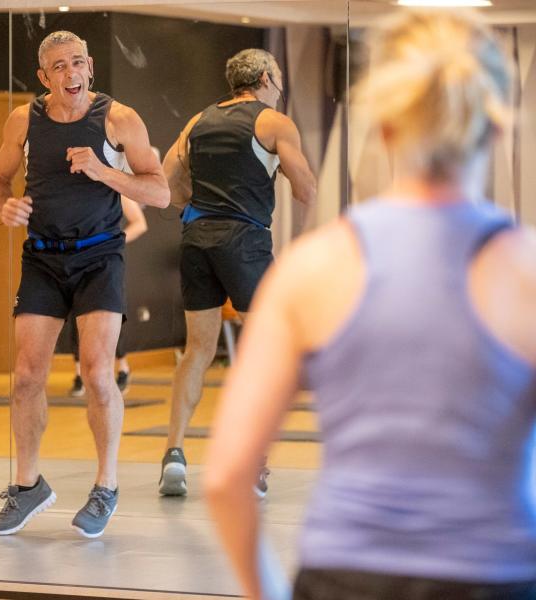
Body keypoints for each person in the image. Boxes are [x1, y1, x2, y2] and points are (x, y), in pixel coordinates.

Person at [205, 10, 536, 600]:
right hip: (496, 573)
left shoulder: (313, 267)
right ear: (499, 126)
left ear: (383, 127)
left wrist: (268, 592)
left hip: (344, 574)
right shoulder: (525, 271)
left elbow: (229, 476)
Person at [0, 30, 169, 538]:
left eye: (78, 64)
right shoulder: (24, 120)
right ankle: (28, 486)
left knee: (95, 371)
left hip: (99, 258)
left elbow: (159, 191)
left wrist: (104, 171)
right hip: (43, 258)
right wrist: (4, 206)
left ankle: (105, 486)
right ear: (44, 77)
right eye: (59, 67)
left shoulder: (118, 119)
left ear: (90, 67)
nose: (71, 74)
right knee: (26, 375)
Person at [158, 47, 316, 497]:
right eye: (280, 78)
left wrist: (196, 202)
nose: (280, 87)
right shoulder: (273, 122)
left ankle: (174, 454)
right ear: (265, 77)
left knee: (198, 350)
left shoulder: (197, 122)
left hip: (196, 240)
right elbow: (306, 189)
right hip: (243, 241)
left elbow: (167, 186)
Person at [67, 195, 148, 397]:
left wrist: (112, 243)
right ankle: (79, 374)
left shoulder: (114, 189)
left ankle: (122, 368)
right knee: (75, 317)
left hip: (105, 263)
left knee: (110, 316)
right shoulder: (70, 192)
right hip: (73, 261)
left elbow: (139, 223)